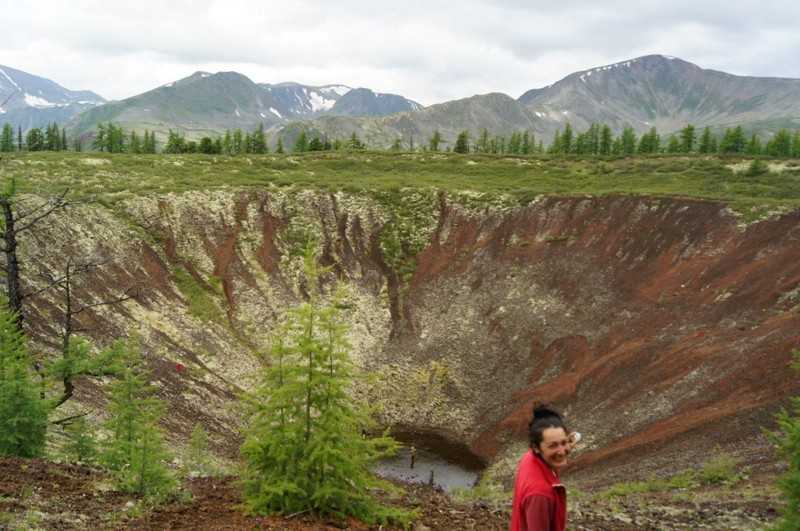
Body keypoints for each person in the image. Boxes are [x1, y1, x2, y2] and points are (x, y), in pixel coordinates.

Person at [510, 405, 572, 531]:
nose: (561, 451)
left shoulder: (530, 458)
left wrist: (568, 442)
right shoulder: (540, 495)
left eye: (564, 442)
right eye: (553, 446)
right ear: (536, 448)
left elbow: (560, 448)